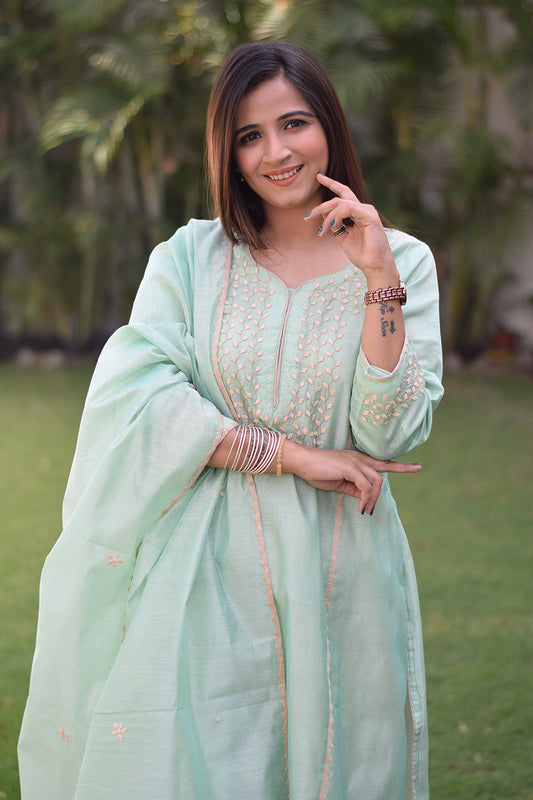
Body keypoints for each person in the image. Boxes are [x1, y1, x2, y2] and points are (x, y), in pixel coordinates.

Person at [19, 40, 443, 800]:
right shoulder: (190, 257)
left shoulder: (401, 259)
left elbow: (387, 433)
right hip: (204, 564)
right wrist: (290, 455)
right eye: (249, 135)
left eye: (294, 124)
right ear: (226, 150)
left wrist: (376, 278)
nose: (275, 153)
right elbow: (140, 394)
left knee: (330, 765)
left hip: (341, 563)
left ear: (329, 128)